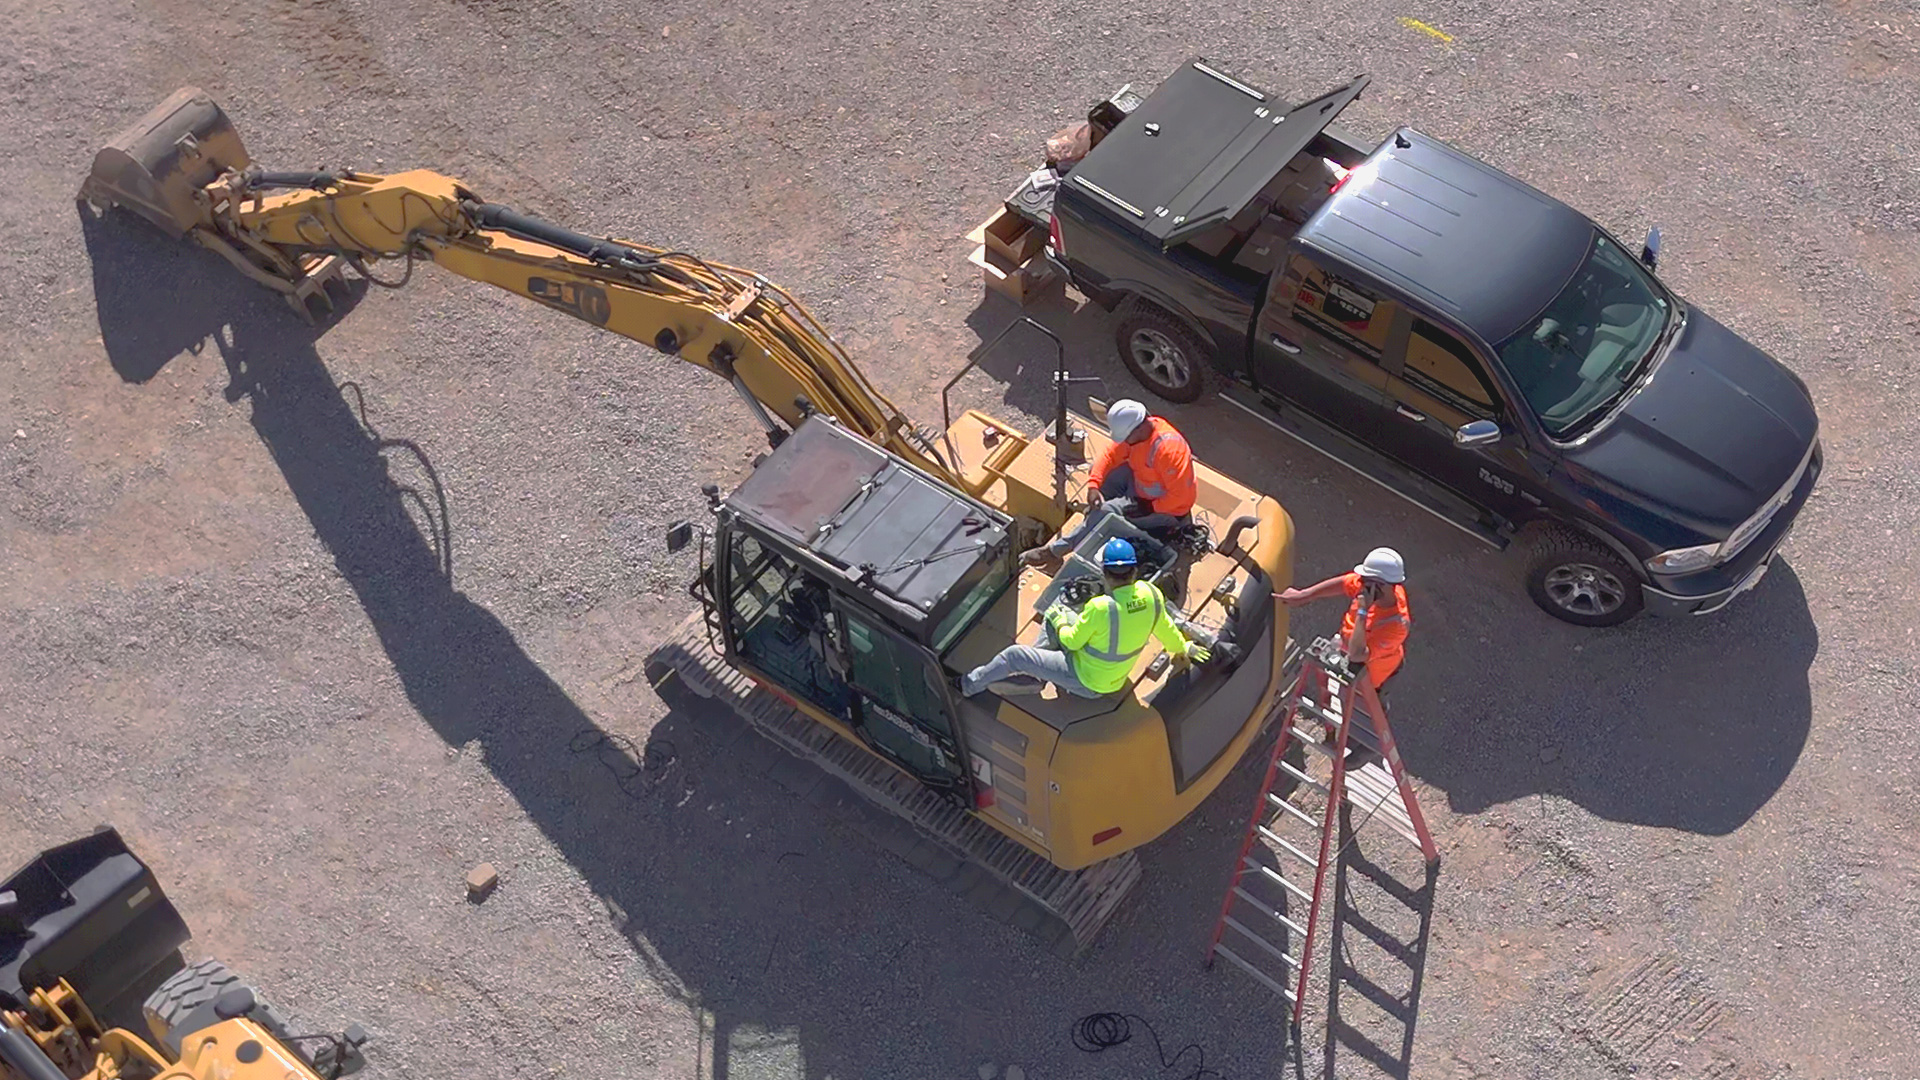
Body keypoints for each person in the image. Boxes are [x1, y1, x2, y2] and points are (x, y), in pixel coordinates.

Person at [961, 538, 1210, 698]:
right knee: (1066, 620)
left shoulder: (1100, 608)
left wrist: (1059, 619)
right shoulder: (1151, 594)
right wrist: (1184, 646)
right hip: (1113, 681)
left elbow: (1070, 642)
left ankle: (968, 685)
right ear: (1134, 570)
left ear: (1104, 572)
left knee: (1020, 650)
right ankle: (1037, 675)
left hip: (1085, 680)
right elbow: (1166, 629)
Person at [1022, 399, 1197, 568]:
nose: (1125, 441)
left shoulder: (1169, 451)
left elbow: (1182, 498)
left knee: (1107, 511)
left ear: (1138, 428)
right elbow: (1110, 455)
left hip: (1166, 510)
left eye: (1126, 437)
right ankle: (1093, 521)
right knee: (1099, 472)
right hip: (1140, 486)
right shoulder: (1140, 433)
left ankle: (1054, 552)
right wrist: (1093, 485)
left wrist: (1149, 508)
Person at [1277, 547, 1412, 690]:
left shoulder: (1397, 625)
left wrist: (1363, 611)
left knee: (1361, 709)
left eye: (1364, 580)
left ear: (1380, 586)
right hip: (1346, 650)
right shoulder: (1370, 586)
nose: (1359, 583)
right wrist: (1305, 595)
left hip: (1369, 678)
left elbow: (1357, 655)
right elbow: (1344, 583)